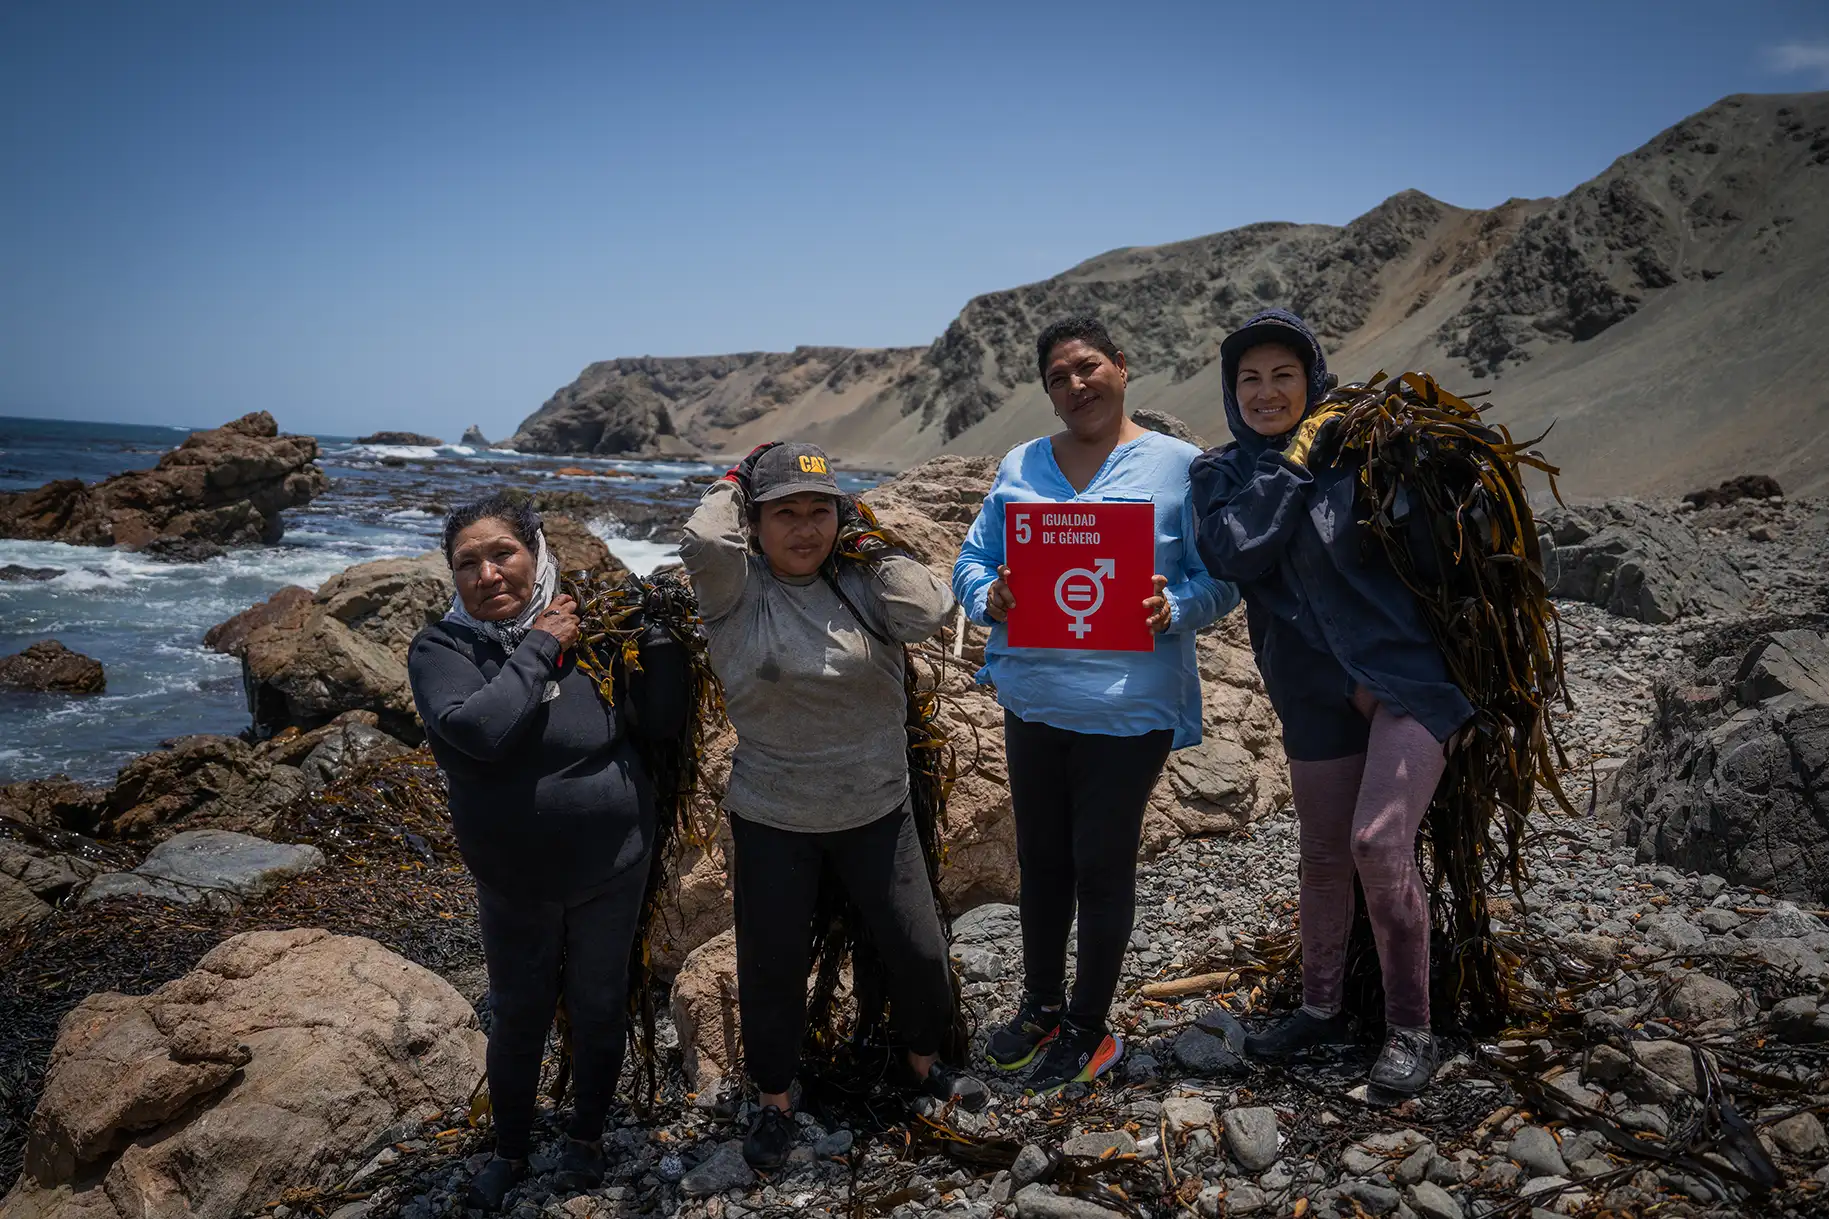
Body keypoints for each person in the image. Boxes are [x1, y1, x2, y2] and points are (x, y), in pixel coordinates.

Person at [1188, 309, 1475, 1097]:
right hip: (1309, 691)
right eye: (1248, 378)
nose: (1265, 391)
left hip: (1404, 680)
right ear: (1230, 391)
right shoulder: (1218, 476)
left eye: (1283, 375)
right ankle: (1320, 1010)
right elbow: (1235, 550)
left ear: (1311, 381)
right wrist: (1292, 461)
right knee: (1321, 855)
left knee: (1377, 844)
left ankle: (1410, 1029)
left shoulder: (1360, 452)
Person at [679, 441, 988, 1173]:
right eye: (784, 512)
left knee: (918, 951)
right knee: (772, 967)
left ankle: (922, 1062)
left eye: (819, 511)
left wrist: (867, 540)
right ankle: (774, 1099)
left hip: (878, 810)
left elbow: (930, 609)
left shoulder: (859, 580)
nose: (804, 528)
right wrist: (735, 479)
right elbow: (705, 538)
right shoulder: (734, 591)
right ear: (755, 522)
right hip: (773, 817)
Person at [952, 315, 1237, 1097]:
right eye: (1057, 377)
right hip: (1032, 699)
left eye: (1086, 367)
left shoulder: (1179, 467)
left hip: (1126, 710)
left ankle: (1087, 1025)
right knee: (1041, 860)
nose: (1074, 385)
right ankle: (1041, 1005)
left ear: (1120, 365)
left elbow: (1221, 579)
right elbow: (972, 560)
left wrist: (1173, 608)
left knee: (1100, 863)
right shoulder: (1021, 463)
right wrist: (987, 595)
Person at [408, 492, 690, 1208]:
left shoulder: (593, 632)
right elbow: (481, 732)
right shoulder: (442, 650)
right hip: (515, 880)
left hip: (612, 866)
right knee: (519, 1014)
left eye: (502, 553)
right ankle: (510, 1149)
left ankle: (585, 1139)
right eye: (467, 563)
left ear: (535, 552)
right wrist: (541, 645)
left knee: (599, 1005)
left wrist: (660, 642)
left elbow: (658, 724)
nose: (487, 574)